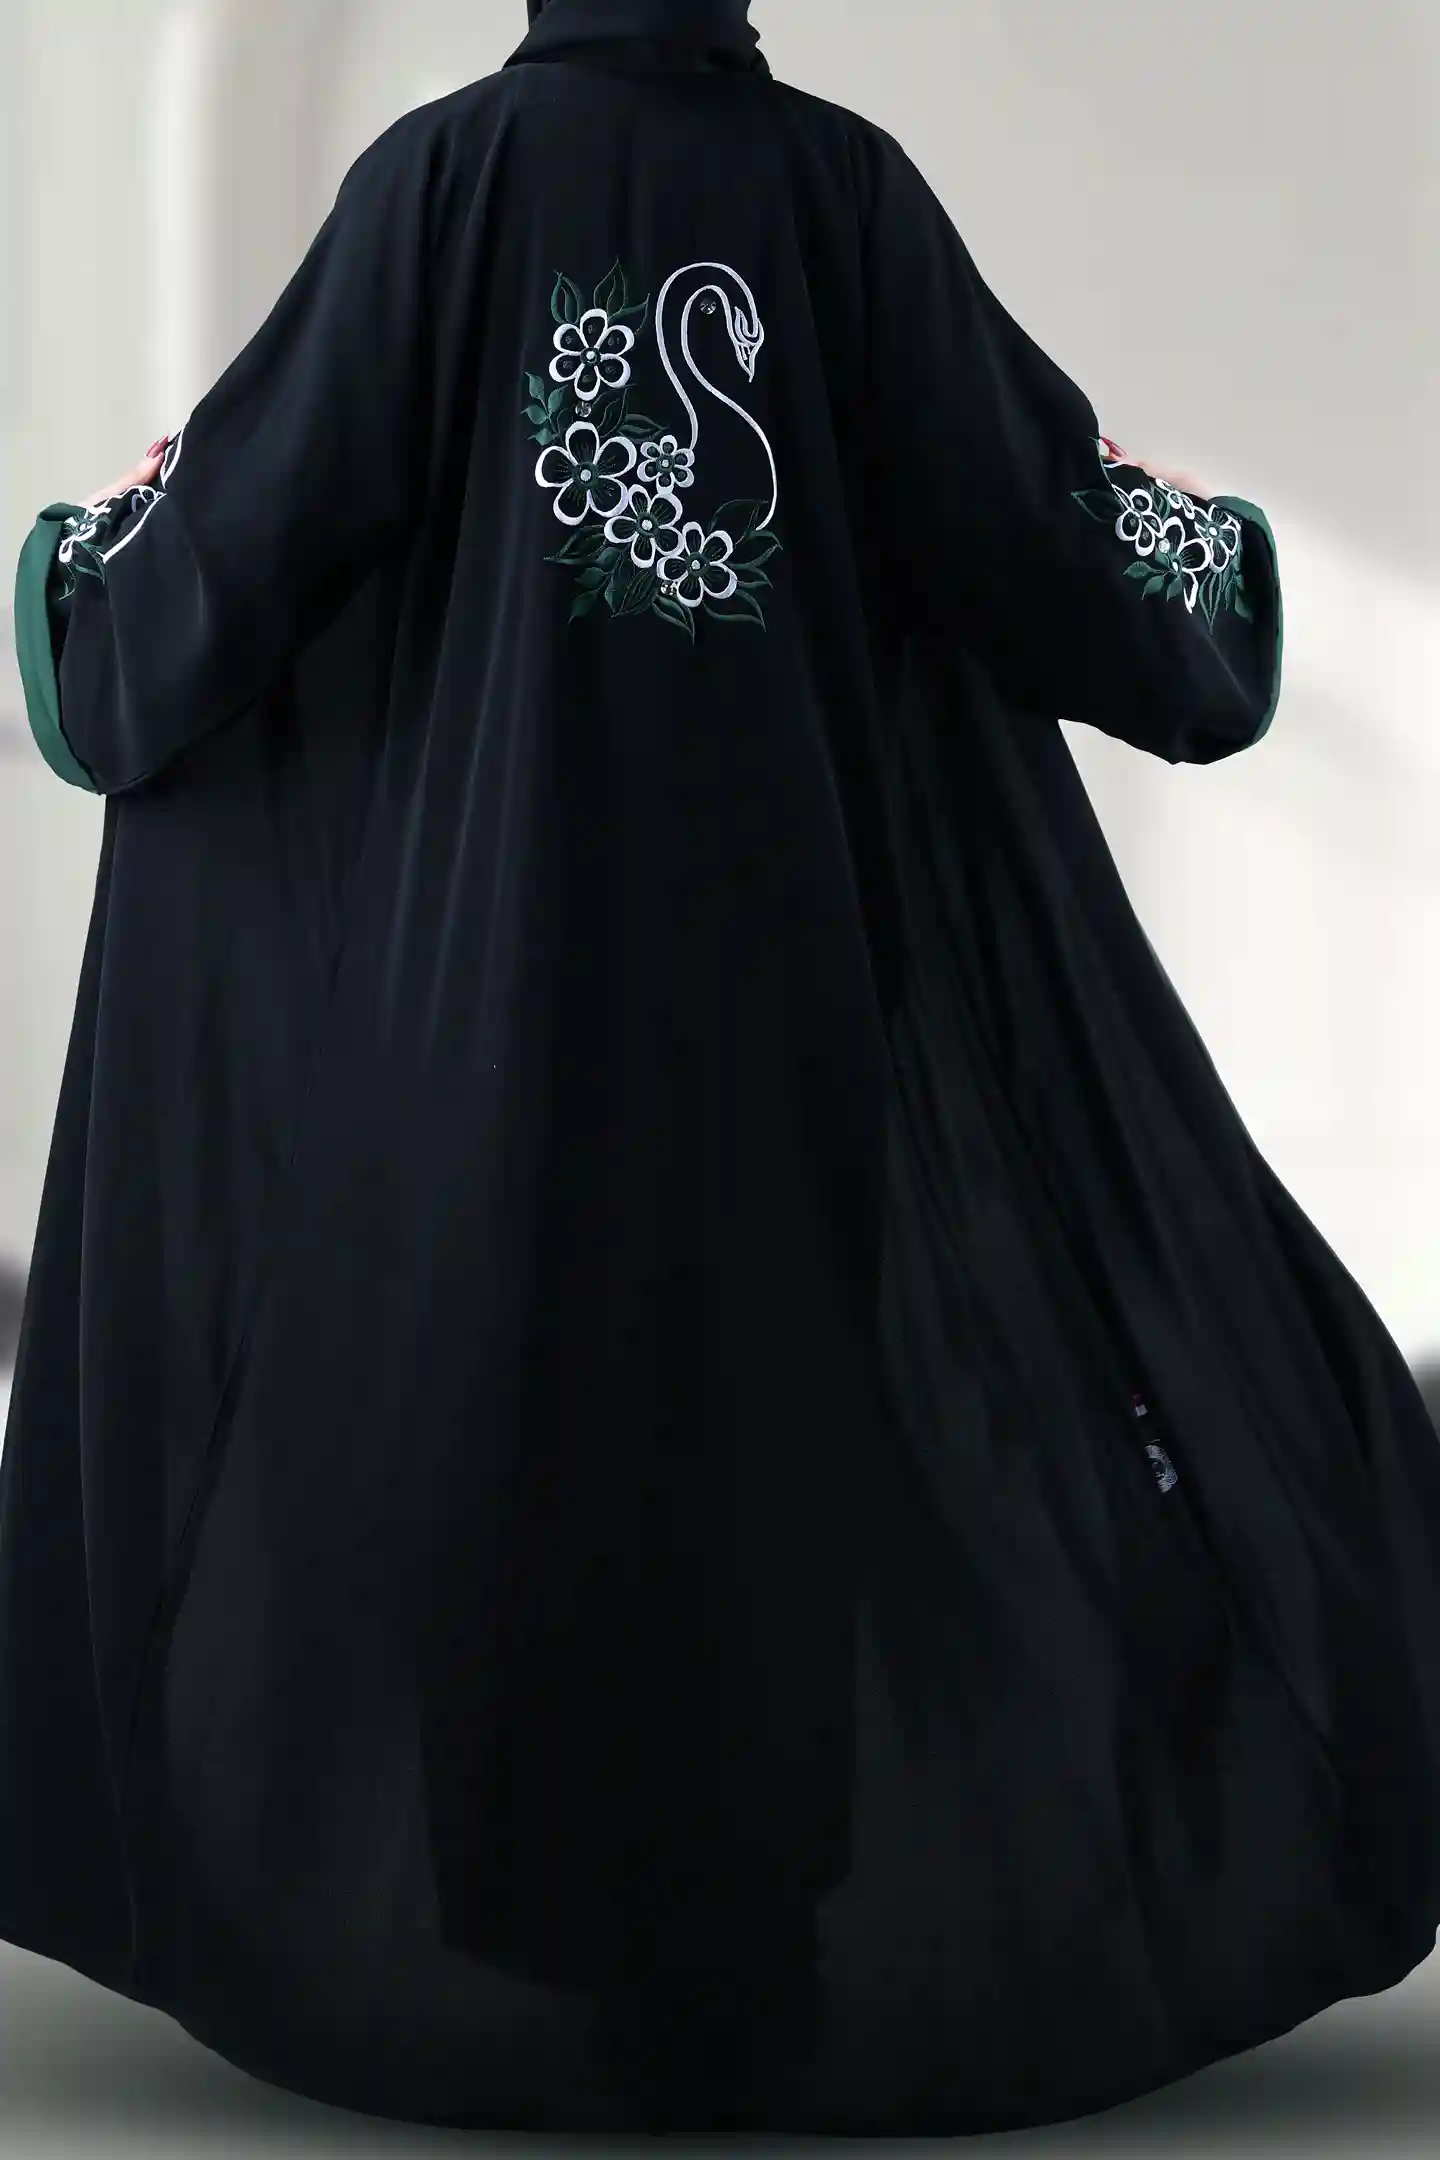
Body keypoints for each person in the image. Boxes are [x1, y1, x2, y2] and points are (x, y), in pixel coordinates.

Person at [5, 0, 1439, 2136]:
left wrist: (87, 575)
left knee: (518, 1421)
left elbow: (243, 535)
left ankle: (522, 1985)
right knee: (767, 1430)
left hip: (488, 1015)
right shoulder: (837, 197)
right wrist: (1201, 551)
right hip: (795, 986)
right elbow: (1048, 538)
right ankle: (741, 1973)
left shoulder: (437, 188)